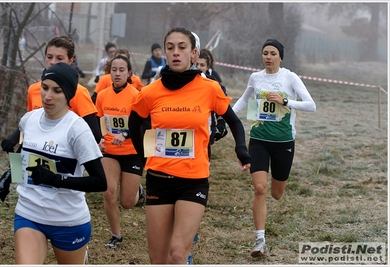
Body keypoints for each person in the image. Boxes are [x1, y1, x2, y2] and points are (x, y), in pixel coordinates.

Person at [128, 26, 251, 264]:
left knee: (177, 254)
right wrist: (144, 156)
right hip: (159, 179)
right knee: (158, 259)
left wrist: (241, 150)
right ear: (164, 52)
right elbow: (134, 125)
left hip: (193, 180)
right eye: (170, 48)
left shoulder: (208, 88)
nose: (175, 53)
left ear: (193, 54)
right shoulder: (151, 92)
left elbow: (234, 122)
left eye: (182, 48)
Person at [15, 62, 107, 264]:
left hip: (67, 220)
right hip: (29, 213)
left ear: (68, 95)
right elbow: (22, 154)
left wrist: (57, 180)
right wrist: (9, 177)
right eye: (45, 87)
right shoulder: (29, 119)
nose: (48, 96)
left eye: (57, 91)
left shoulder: (77, 129)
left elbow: (100, 182)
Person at [231, 39, 316, 257]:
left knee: (277, 194)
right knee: (260, 188)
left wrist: (286, 101)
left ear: (281, 57)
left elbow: (311, 105)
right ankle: (260, 239)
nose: (268, 57)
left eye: (273, 53)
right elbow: (243, 100)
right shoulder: (256, 77)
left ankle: (274, 196)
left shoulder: (290, 77)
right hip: (258, 140)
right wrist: (226, 116)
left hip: (284, 142)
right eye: (265, 53)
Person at [1, 36, 101, 155]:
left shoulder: (79, 92)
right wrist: (13, 140)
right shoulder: (33, 90)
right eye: (49, 57)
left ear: (71, 60)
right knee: (10, 174)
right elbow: (30, 125)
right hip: (30, 152)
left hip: (58, 158)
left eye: (59, 58)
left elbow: (95, 135)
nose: (53, 62)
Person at [95, 55, 146, 249]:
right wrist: (100, 138)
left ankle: (137, 192)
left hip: (132, 151)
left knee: (127, 202)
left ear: (129, 73)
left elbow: (142, 123)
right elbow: (101, 121)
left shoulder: (136, 95)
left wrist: (125, 133)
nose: (117, 73)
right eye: (114, 70)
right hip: (110, 150)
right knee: (108, 192)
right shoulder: (102, 95)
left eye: (121, 70)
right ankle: (116, 235)